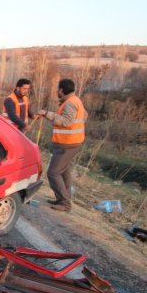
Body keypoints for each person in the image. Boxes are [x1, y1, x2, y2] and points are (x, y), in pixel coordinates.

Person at [36, 79, 88, 212]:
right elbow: (84, 116)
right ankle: (63, 198)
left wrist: (47, 114)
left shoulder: (70, 104)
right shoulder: (76, 100)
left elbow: (66, 122)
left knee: (53, 173)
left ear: (61, 90)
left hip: (67, 144)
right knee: (64, 173)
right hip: (71, 142)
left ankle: (65, 203)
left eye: (57, 89)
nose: (57, 91)